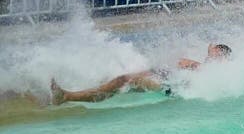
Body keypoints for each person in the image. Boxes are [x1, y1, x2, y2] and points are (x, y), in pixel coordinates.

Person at [50, 43, 232, 105]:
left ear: (221, 56)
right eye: (210, 51)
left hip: (174, 90)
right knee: (120, 83)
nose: (209, 53)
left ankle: (67, 96)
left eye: (214, 52)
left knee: (126, 82)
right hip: (169, 85)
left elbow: (220, 67)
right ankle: (66, 97)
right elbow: (164, 68)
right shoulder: (199, 66)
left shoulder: (217, 71)